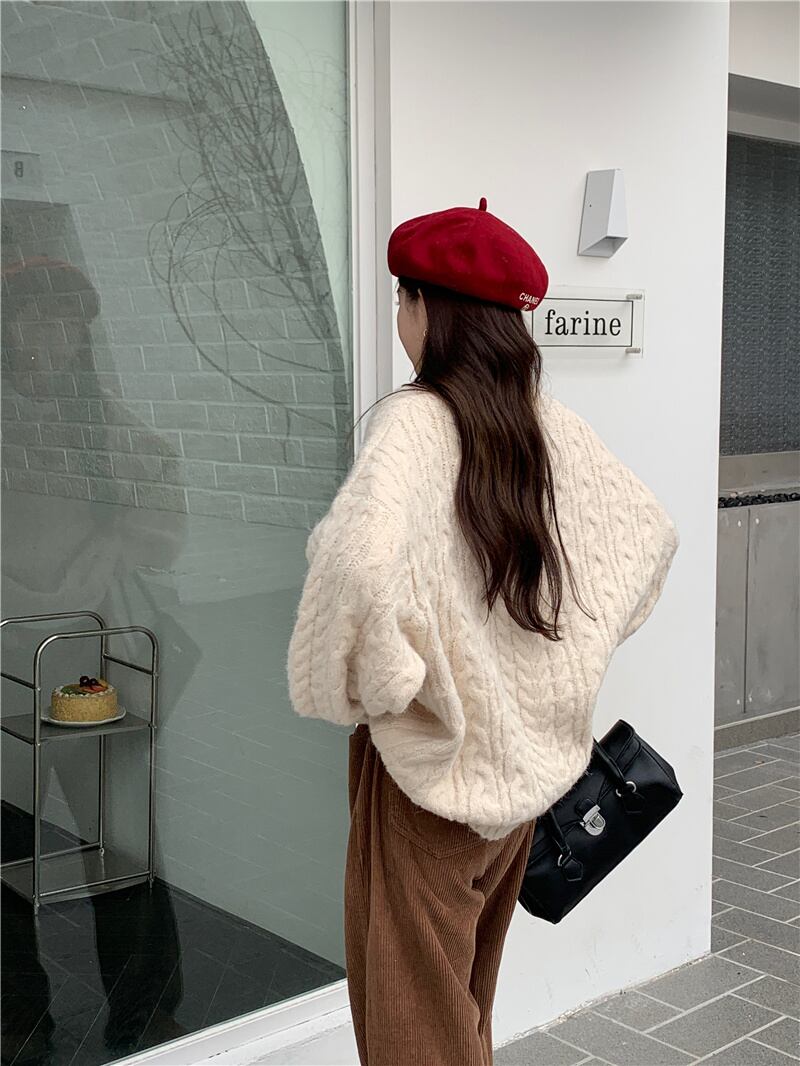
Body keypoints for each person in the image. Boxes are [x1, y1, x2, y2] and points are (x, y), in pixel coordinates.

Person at [286, 198, 680, 1066]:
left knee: (411, 1033)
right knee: (462, 1012)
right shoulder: (545, 425)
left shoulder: (415, 424)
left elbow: (353, 572)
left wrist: (380, 688)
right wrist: (555, 669)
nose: (399, 316)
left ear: (430, 309)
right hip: (521, 781)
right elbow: (645, 539)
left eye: (403, 297)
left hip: (430, 782)